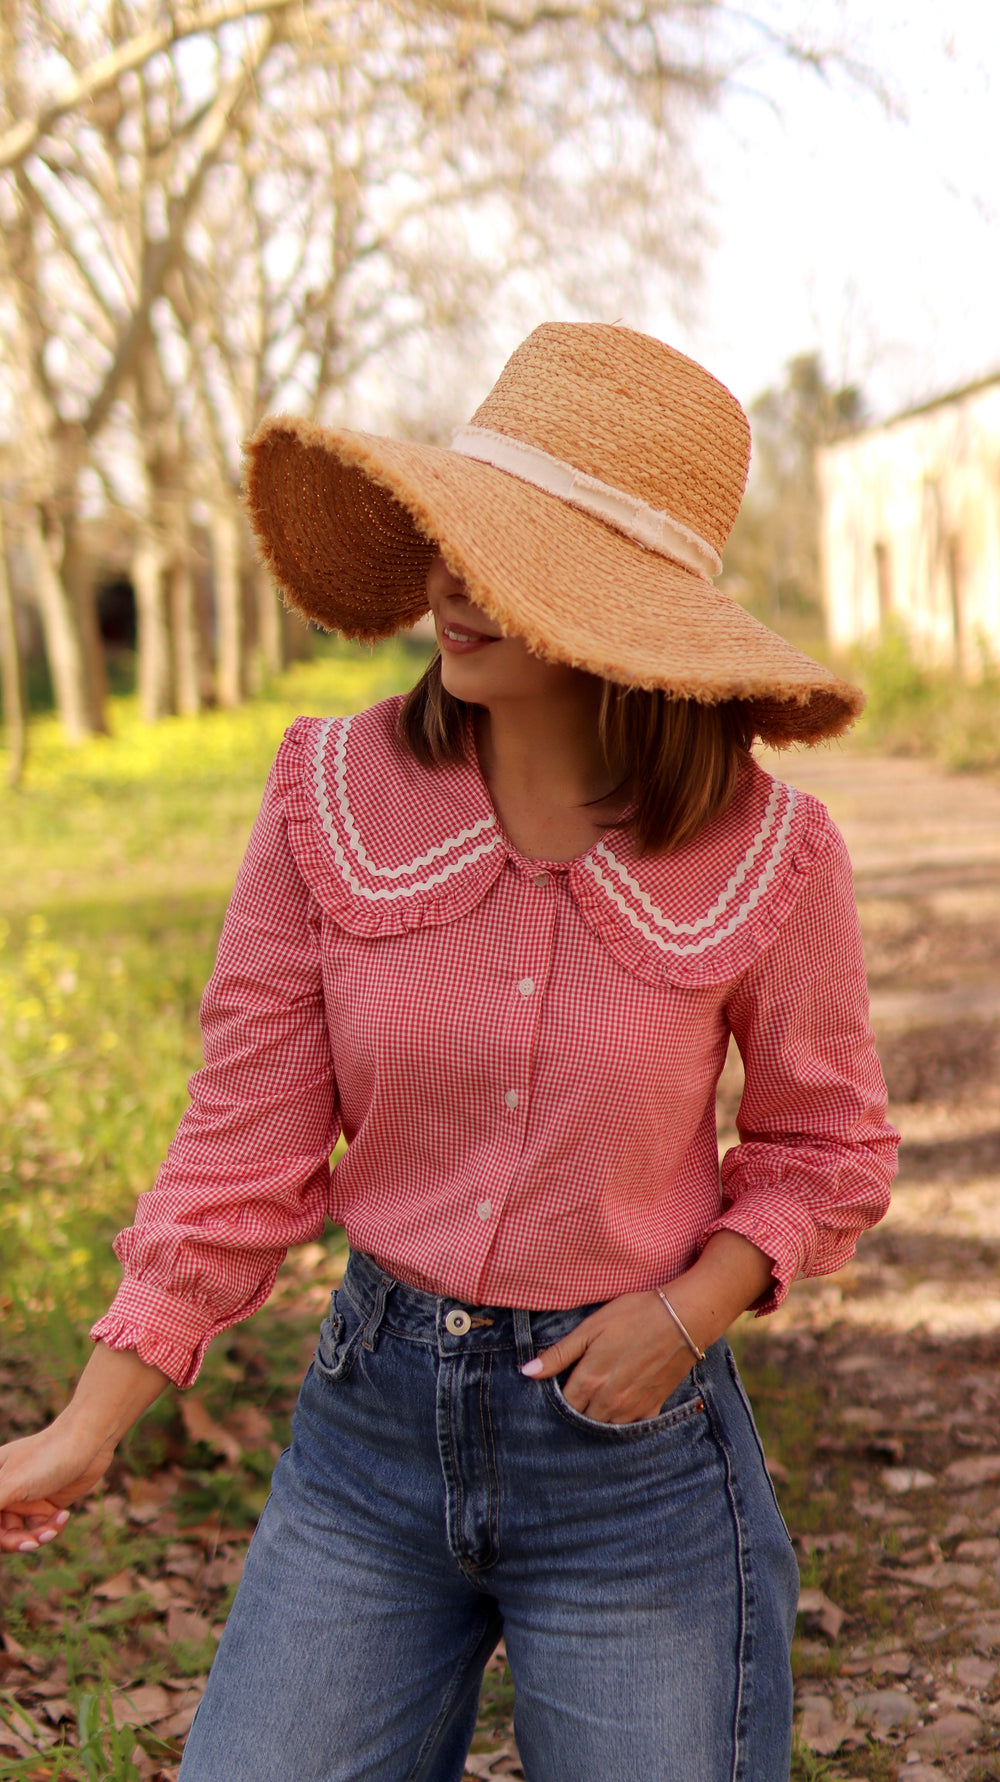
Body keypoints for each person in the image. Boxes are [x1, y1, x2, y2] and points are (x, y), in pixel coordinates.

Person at [0, 323, 898, 1781]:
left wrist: (689, 1313)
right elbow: (243, 1143)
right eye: (460, 532)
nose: (458, 583)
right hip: (371, 1444)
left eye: (521, 557)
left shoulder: (776, 856)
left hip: (641, 1471)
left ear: (630, 615)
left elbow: (826, 1149)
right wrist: (83, 1426)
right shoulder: (326, 796)